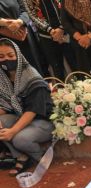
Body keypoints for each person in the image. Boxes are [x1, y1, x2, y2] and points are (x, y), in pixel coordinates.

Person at [0, 39, 53, 177]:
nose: (6, 60)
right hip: (21, 117)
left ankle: (41, 156)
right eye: (1, 56)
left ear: (18, 55)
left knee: (19, 139)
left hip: (43, 121)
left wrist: (12, 131)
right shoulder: (2, 78)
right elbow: (6, 106)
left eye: (10, 55)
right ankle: (21, 156)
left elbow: (33, 110)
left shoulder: (31, 76)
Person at [22, 0, 77, 81]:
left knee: (76, 64)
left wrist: (62, 28)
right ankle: (62, 92)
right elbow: (33, 16)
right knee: (57, 69)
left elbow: (67, 6)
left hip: (67, 31)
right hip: (46, 36)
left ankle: (84, 90)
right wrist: (50, 30)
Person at [0, 0, 43, 75]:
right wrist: (6, 23)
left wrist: (19, 22)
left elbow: (25, 11)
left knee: (35, 67)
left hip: (25, 36)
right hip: (5, 43)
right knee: (14, 71)